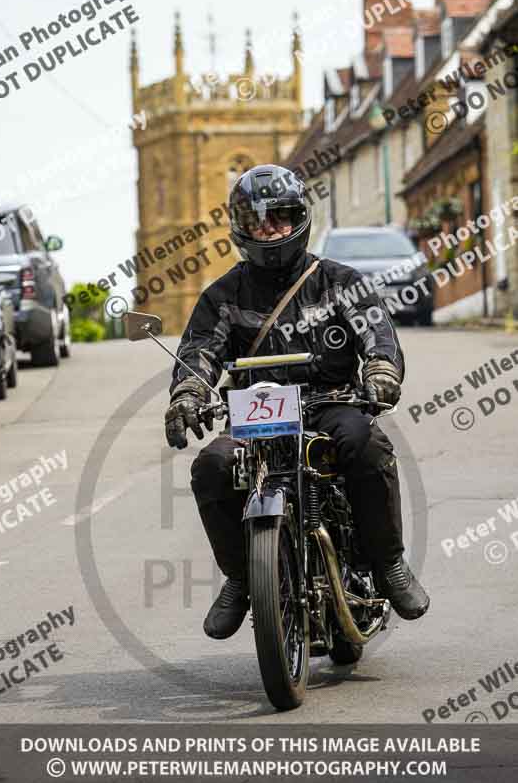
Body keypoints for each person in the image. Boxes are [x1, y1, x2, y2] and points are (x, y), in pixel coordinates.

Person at [165, 164, 430, 640]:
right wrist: (188, 394)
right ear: (241, 228)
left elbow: (377, 334)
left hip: (331, 402)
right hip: (255, 412)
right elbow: (199, 353)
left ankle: (389, 564)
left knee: (365, 443)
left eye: (280, 216)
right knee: (212, 465)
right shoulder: (222, 296)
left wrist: (381, 371)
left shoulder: (340, 281)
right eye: (256, 220)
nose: (269, 228)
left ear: (299, 217)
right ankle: (240, 579)